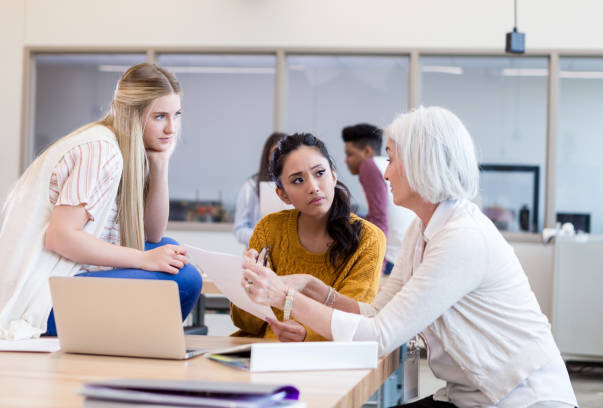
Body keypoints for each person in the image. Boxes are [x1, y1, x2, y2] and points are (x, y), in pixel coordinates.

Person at [241, 108, 577, 407]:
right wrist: (311, 287)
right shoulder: (422, 230)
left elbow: (378, 336)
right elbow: (376, 312)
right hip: (470, 395)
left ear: (421, 162)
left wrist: (284, 296)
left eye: (391, 158)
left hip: (521, 397)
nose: (385, 173)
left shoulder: (463, 238)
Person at [0, 63, 202, 340]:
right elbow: (60, 237)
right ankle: (141, 346)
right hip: (40, 302)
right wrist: (143, 259)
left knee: (168, 248)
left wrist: (160, 163)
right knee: (185, 279)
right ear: (131, 113)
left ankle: (139, 343)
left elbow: (152, 233)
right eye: (159, 117)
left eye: (176, 115)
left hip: (65, 279)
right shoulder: (102, 150)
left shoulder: (125, 148)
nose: (171, 128)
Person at [230, 133, 385, 342]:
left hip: (330, 361)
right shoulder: (268, 229)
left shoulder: (368, 238)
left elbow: (352, 322)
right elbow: (246, 323)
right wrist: (250, 286)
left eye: (320, 173)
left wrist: (306, 335)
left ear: (333, 175)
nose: (313, 187)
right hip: (265, 354)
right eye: (298, 180)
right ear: (283, 195)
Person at [342, 123, 415, 274]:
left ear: (367, 151)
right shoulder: (385, 164)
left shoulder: (369, 166)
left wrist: (376, 268)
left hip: (391, 260)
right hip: (406, 255)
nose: (346, 160)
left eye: (350, 154)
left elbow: (379, 219)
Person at [233, 132, 286, 246]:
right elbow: (239, 229)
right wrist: (263, 237)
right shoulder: (250, 187)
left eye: (286, 152)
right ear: (267, 155)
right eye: (275, 152)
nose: (280, 157)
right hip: (259, 255)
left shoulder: (297, 185)